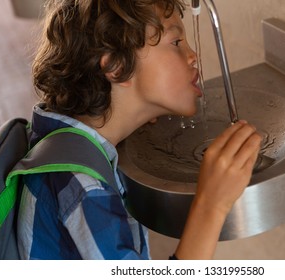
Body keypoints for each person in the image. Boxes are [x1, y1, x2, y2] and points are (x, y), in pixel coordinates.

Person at [17, 0, 262, 260]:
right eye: (176, 43)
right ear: (117, 67)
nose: (193, 56)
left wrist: (140, 110)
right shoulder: (83, 189)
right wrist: (212, 205)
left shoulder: (61, 143)